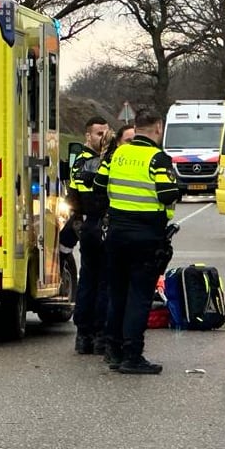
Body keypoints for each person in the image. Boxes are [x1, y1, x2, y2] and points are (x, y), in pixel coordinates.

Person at [94, 109, 179, 374]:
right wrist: (178, 187)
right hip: (146, 235)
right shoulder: (157, 158)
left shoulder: (117, 154)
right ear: (157, 128)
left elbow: (98, 186)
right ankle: (133, 355)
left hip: (117, 234)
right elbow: (166, 195)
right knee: (139, 297)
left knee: (117, 293)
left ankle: (113, 350)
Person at [70, 116, 111, 354]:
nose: (103, 138)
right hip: (98, 224)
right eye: (98, 134)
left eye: (106, 133)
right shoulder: (92, 162)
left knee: (87, 279)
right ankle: (97, 334)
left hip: (86, 226)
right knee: (101, 281)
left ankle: (83, 334)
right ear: (88, 136)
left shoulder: (79, 163)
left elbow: (72, 197)